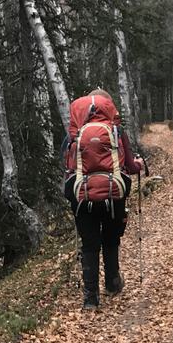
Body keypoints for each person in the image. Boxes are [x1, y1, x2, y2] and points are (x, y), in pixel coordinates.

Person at [64, 89, 143, 309]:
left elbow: (68, 166)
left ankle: (90, 298)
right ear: (107, 106)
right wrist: (139, 165)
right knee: (110, 239)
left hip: (83, 196)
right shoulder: (116, 131)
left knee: (89, 245)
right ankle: (112, 283)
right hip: (112, 195)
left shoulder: (76, 133)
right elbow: (129, 164)